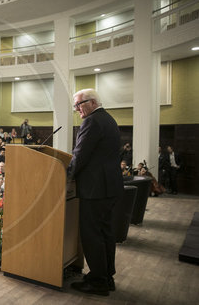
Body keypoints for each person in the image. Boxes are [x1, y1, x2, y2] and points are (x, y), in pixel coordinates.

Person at [67, 89, 123, 296]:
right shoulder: (108, 119)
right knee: (106, 232)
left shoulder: (91, 122)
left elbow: (80, 154)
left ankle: (98, 281)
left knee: (92, 234)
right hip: (109, 187)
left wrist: (67, 176)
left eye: (78, 105)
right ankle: (107, 276)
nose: (77, 110)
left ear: (91, 103)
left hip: (95, 189)